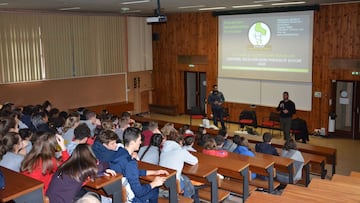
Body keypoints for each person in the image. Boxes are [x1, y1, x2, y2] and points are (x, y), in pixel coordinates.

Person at [110, 127, 168, 203]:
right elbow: (139, 192)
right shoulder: (130, 163)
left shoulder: (117, 154)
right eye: (139, 140)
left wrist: (155, 172)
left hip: (117, 196)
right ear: (132, 143)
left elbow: (131, 172)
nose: (140, 142)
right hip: (130, 199)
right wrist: (155, 183)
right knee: (154, 189)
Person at [46, 144, 116, 203]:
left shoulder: (66, 165)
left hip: (51, 199)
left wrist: (100, 173)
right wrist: (99, 166)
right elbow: (105, 165)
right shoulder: (81, 170)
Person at [159, 130, 198, 198]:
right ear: (180, 142)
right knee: (187, 182)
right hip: (174, 183)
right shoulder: (181, 151)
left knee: (185, 179)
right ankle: (187, 199)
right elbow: (195, 161)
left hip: (162, 181)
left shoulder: (164, 149)